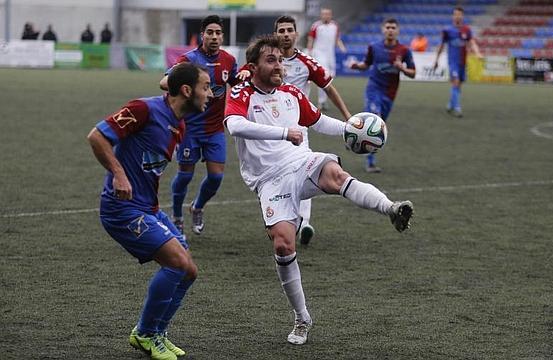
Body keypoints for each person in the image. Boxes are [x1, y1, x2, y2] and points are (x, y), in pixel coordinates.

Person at [224, 35, 414, 346]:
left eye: (281, 61)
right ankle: (302, 317)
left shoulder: (291, 94)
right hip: (268, 180)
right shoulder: (242, 91)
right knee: (284, 246)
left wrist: (351, 129)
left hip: (299, 162)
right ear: (254, 66)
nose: (279, 66)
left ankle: (391, 209)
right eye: (270, 60)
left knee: (335, 175)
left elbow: (318, 121)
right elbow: (234, 125)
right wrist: (285, 132)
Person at [87, 62, 213, 360]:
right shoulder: (143, 109)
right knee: (176, 263)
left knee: (189, 271)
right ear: (186, 90)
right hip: (122, 210)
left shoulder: (179, 125)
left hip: (148, 208)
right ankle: (144, 333)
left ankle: (156, 332)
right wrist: (118, 174)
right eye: (206, 87)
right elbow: (96, 136)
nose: (210, 94)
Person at [159, 15, 242, 237]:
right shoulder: (188, 60)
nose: (214, 37)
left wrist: (244, 76)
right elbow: (165, 81)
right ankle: (177, 216)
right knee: (185, 175)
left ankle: (197, 207)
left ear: (222, 36)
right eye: (210, 33)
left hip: (214, 129)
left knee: (216, 177)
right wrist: (173, 81)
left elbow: (237, 84)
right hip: (189, 129)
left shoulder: (228, 60)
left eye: (218, 33)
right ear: (202, 35)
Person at [273, 15, 351, 245]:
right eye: (282, 30)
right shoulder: (267, 60)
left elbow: (329, 88)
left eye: (290, 30)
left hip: (299, 128)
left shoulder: (307, 62)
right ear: (275, 34)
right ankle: (285, 217)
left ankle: (303, 222)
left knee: (304, 169)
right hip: (271, 128)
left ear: (296, 34)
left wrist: (347, 117)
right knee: (277, 176)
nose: (286, 34)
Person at [349, 18, 416, 173]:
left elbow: (413, 73)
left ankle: (354, 137)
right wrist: (356, 66)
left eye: (393, 27)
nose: (390, 30)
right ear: (383, 29)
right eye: (388, 27)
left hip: (390, 93)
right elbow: (366, 64)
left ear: (397, 30)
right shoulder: (374, 47)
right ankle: (370, 162)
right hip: (374, 88)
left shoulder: (404, 51)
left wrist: (402, 69)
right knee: (374, 118)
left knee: (379, 127)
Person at [432, 6, 482, 118]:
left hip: (463, 62)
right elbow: (441, 45)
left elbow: (472, 42)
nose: (457, 16)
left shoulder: (467, 30)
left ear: (462, 16)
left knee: (459, 85)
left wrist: (477, 53)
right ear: (453, 16)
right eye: (455, 14)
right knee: (455, 82)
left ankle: (450, 105)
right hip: (453, 62)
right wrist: (436, 60)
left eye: (459, 14)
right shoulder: (447, 31)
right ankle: (457, 107)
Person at [306, 8, 346, 111]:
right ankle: (321, 101)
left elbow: (337, 39)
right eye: (324, 14)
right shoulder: (316, 26)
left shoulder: (335, 26)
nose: (326, 16)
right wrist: (309, 52)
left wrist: (341, 47)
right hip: (319, 54)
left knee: (330, 77)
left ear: (331, 15)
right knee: (324, 76)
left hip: (330, 55)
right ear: (321, 15)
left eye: (327, 14)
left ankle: (323, 100)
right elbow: (311, 39)